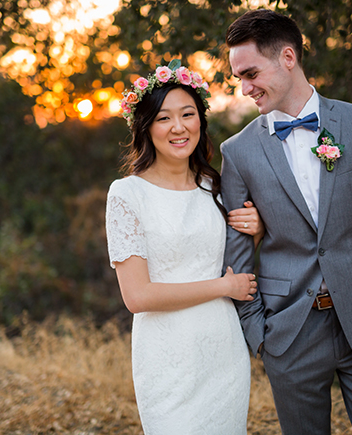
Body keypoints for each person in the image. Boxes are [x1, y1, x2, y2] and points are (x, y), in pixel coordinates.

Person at [220, 9, 352, 434]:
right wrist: (260, 334)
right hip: (289, 333)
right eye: (238, 77)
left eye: (251, 73)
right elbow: (237, 258)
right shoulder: (237, 152)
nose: (244, 88)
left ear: (288, 57)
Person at [105, 59, 263, 434]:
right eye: (163, 118)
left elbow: (232, 251)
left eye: (187, 114)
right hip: (166, 355)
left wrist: (255, 230)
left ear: (200, 121)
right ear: (145, 127)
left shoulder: (217, 187)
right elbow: (137, 296)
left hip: (223, 351)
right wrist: (224, 287)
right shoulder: (127, 194)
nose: (178, 127)